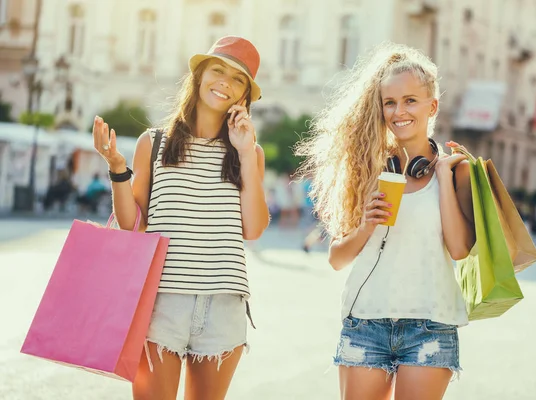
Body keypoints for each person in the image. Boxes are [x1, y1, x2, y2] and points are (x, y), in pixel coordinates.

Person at [92, 36, 270, 400]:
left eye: (238, 79)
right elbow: (133, 225)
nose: (225, 83)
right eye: (218, 71)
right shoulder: (153, 143)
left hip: (223, 305)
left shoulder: (249, 153)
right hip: (160, 304)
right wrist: (117, 169)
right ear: (200, 76)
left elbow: (253, 229)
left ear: (244, 96)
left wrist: (247, 154)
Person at [297, 42, 475, 399]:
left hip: (430, 325)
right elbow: (337, 259)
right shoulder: (367, 167)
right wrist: (367, 224)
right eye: (390, 102)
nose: (399, 111)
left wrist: (441, 176)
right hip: (365, 323)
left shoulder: (458, 171)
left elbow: (458, 250)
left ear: (432, 106)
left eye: (410, 100)